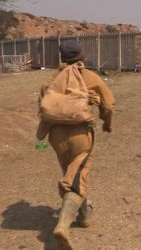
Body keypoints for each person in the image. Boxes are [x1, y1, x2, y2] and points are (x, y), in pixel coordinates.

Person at [36, 40, 115, 250]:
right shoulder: (90, 77)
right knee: (76, 178)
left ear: (61, 58)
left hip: (56, 136)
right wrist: (107, 123)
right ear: (82, 56)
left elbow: (43, 106)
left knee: (74, 175)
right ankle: (62, 226)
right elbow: (108, 105)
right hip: (81, 134)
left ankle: (85, 215)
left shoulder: (52, 79)